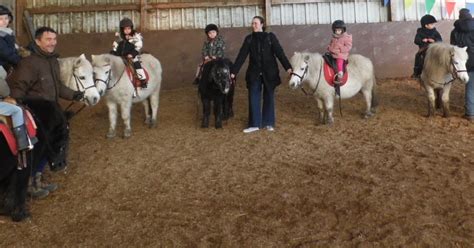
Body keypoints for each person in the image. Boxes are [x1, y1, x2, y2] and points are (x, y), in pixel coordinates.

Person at [7, 26, 84, 199]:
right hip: (36, 114)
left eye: (54, 39)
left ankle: (38, 180)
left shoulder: (52, 61)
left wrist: (75, 95)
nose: (52, 43)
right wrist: (15, 101)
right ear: (38, 41)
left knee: (48, 147)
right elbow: (19, 86)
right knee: (36, 149)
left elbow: (58, 87)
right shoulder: (29, 62)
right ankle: (27, 184)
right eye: (48, 40)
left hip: (51, 112)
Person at [231, 16, 292, 133]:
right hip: (254, 73)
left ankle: (268, 123)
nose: (253, 25)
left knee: (269, 96)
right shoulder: (249, 39)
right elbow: (241, 56)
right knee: (253, 96)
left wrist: (288, 68)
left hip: (270, 72)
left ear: (262, 24)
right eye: (252, 23)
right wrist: (234, 72)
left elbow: (280, 53)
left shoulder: (270, 37)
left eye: (256, 23)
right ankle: (254, 124)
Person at [0, 5, 34, 151]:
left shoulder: (7, 34)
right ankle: (22, 143)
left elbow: (14, 50)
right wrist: (20, 60)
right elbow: (7, 54)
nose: (3, 21)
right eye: (0, 19)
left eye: (6, 18)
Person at [451, 9, 474, 122]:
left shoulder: (454, 31)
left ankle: (470, 113)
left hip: (466, 63)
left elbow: (453, 49)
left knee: (470, 88)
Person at [111, 17, 147, 88]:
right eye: (125, 29)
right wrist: (114, 52)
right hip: (120, 56)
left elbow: (138, 46)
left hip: (131, 55)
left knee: (136, 63)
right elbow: (115, 46)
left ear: (131, 28)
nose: (127, 30)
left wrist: (132, 54)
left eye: (128, 28)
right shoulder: (119, 38)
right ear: (122, 30)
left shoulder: (135, 37)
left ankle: (143, 80)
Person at [412, 14, 442, 78]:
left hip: (434, 48)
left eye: (433, 24)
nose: (434, 25)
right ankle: (416, 72)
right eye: (432, 24)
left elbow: (440, 40)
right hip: (424, 48)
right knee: (418, 55)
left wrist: (434, 41)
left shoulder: (435, 31)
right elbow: (416, 41)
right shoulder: (420, 32)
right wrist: (422, 40)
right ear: (426, 25)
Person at [327, 20, 352, 84]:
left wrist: (340, 49)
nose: (337, 32)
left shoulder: (346, 37)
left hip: (340, 55)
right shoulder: (334, 37)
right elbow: (331, 44)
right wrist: (329, 47)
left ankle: (340, 74)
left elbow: (348, 47)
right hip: (332, 53)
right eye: (336, 30)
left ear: (343, 30)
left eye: (339, 30)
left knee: (339, 62)